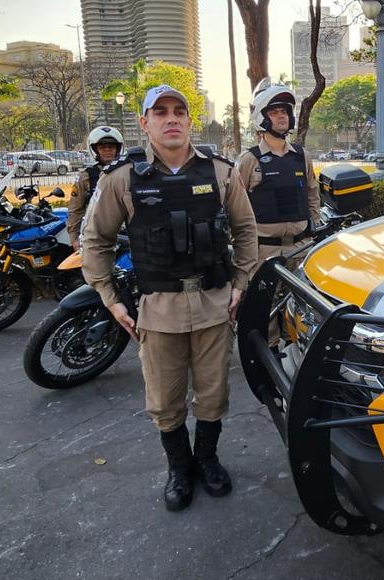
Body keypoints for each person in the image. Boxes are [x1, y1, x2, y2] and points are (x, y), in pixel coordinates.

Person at [81, 85, 258, 512]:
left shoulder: (220, 172)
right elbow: (95, 240)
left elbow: (246, 230)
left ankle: (207, 460)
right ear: (144, 123)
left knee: (213, 396)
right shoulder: (121, 177)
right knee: (164, 401)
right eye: (159, 112)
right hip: (158, 311)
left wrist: (240, 283)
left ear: (189, 120)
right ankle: (179, 469)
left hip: (215, 304)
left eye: (179, 110)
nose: (171, 118)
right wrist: (110, 298)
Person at [234, 78, 320, 347]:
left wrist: (313, 225)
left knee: (304, 309)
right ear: (261, 118)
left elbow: (312, 193)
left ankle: (299, 354)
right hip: (265, 251)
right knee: (265, 309)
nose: (282, 116)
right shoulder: (249, 160)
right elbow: (234, 205)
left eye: (285, 111)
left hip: (301, 249)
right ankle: (269, 358)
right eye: (274, 111)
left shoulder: (301, 155)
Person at [68, 126, 124, 249]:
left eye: (111, 146)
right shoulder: (85, 176)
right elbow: (75, 210)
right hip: (97, 235)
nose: (107, 150)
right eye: (102, 147)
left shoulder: (128, 173)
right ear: (95, 150)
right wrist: (74, 238)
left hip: (125, 234)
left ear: (118, 149)